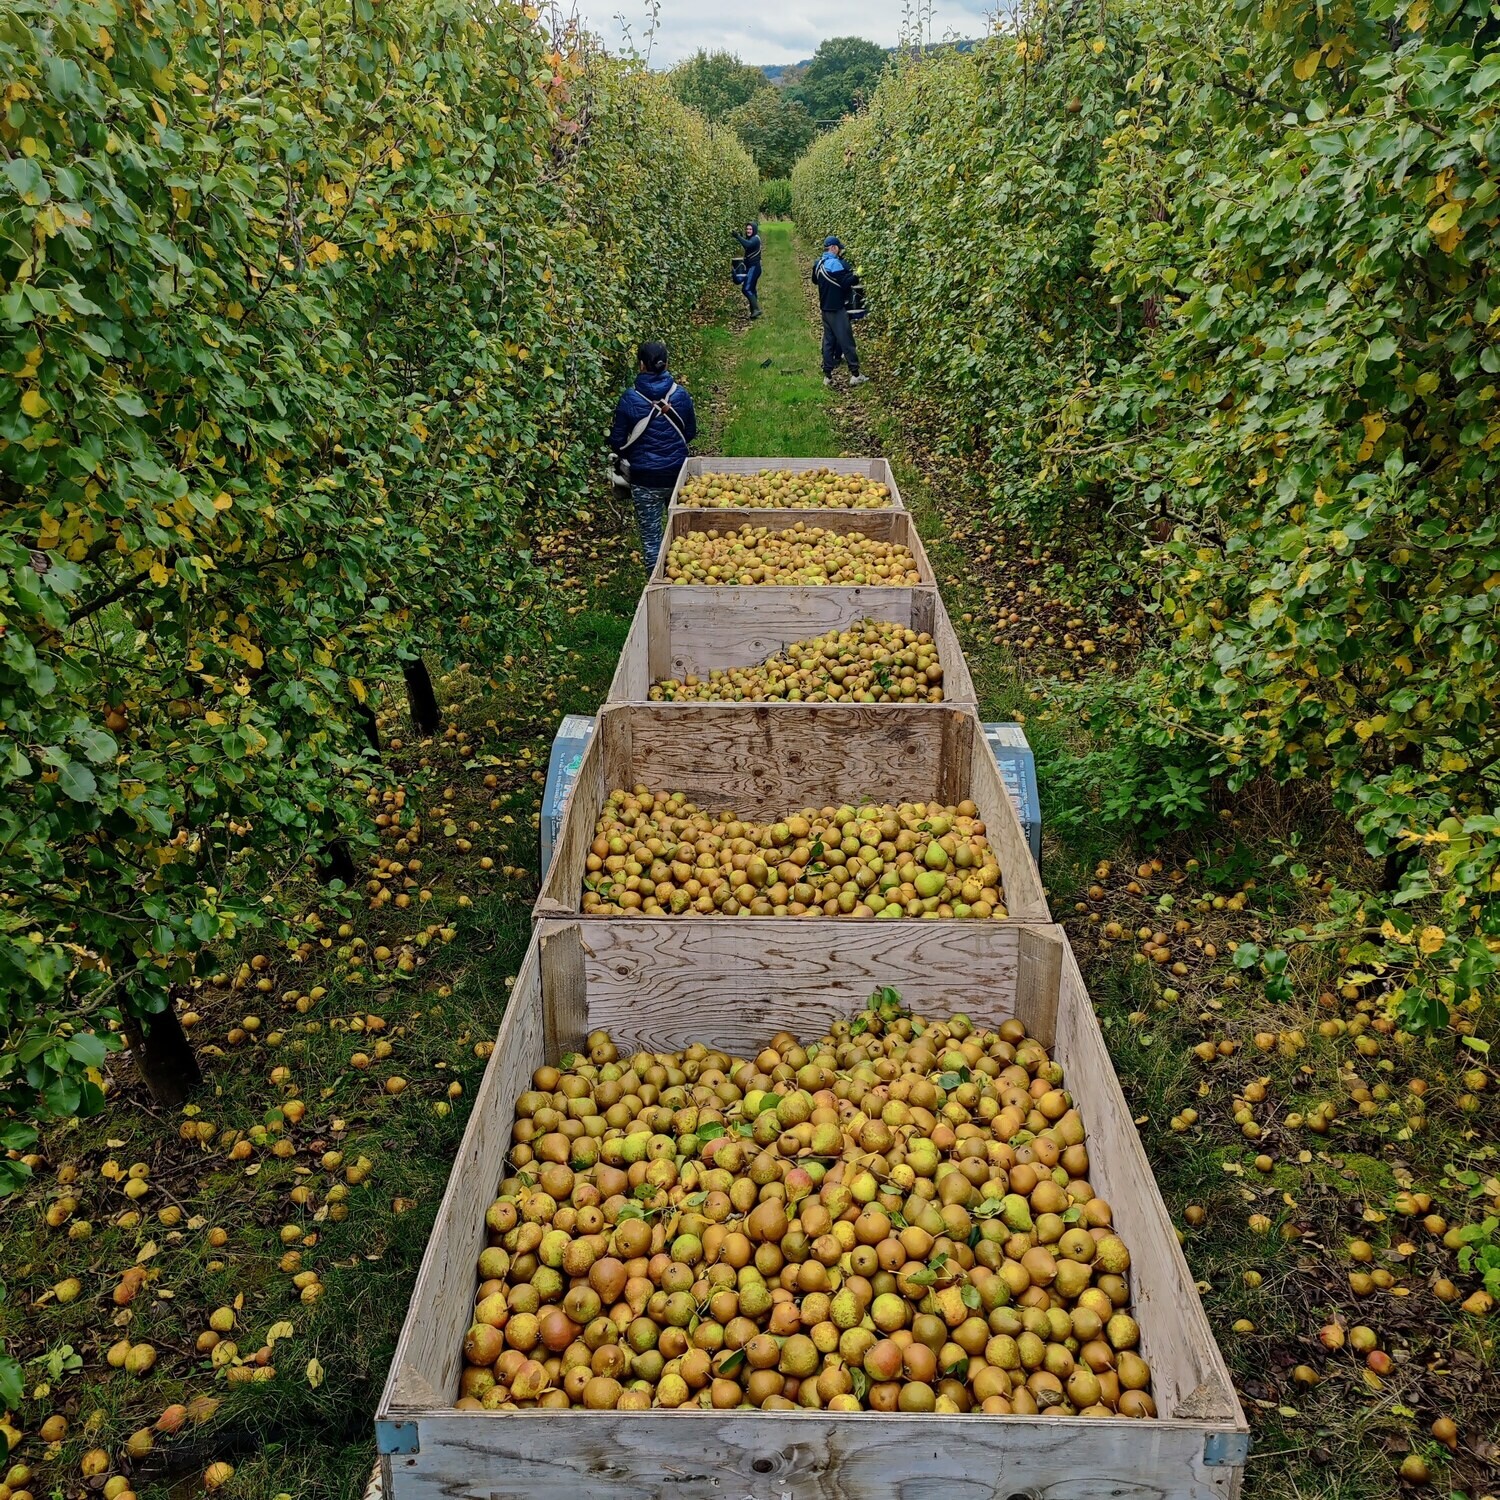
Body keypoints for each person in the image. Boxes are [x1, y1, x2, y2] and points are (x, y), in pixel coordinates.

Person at [608, 340, 697, 572]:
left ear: (641, 365)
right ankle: (685, 578)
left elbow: (617, 442)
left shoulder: (629, 398)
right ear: (666, 363)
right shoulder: (680, 395)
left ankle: (656, 586)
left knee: (651, 539)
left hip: (645, 479)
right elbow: (690, 433)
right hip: (678, 476)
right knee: (683, 536)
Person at [812, 236, 867, 388]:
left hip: (825, 309)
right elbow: (845, 283)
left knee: (828, 342)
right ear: (834, 248)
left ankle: (828, 376)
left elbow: (815, 281)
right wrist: (857, 274)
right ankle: (855, 375)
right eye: (839, 248)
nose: (840, 251)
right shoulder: (834, 263)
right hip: (837, 309)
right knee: (846, 341)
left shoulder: (818, 263)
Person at [733, 221, 762, 319]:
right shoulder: (752, 238)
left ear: (754, 230)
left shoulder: (755, 239)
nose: (748, 231)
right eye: (747, 229)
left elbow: (748, 245)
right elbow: (747, 243)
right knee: (751, 289)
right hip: (751, 268)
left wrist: (738, 236)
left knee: (746, 288)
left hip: (754, 268)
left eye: (750, 229)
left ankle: (756, 309)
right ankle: (753, 312)